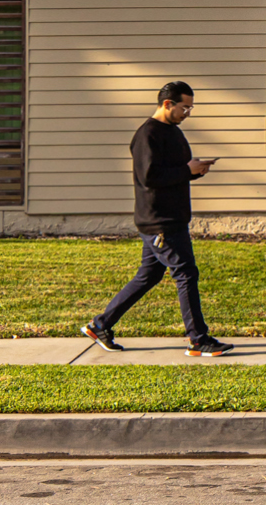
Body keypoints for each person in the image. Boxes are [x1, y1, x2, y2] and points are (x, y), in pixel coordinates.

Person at [85, 81, 234, 358]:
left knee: (149, 275)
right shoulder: (148, 134)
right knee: (186, 273)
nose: (187, 112)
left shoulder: (172, 132)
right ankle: (198, 339)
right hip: (160, 221)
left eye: (190, 107)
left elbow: (172, 171)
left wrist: (193, 171)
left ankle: (101, 324)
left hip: (170, 217)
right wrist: (185, 170)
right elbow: (149, 177)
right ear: (167, 104)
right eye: (184, 107)